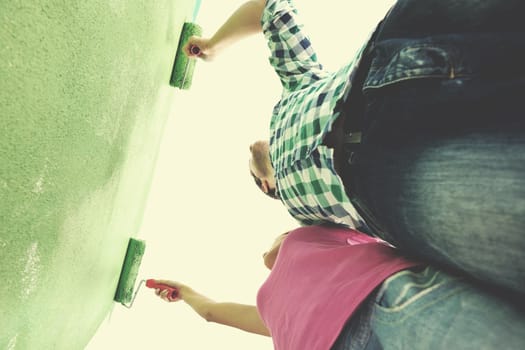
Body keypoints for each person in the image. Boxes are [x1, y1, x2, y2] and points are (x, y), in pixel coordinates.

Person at [184, 0, 525, 296]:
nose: (251, 147)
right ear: (266, 184)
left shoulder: (299, 84)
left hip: (392, 56)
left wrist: (213, 45)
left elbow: (272, 10)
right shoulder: (304, 220)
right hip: (395, 180)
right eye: (251, 166)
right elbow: (282, 260)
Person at [151, 226, 525, 349]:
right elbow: (214, 313)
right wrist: (185, 292)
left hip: (374, 300)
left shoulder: (306, 236)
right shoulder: (266, 306)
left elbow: (378, 236)